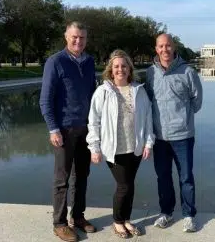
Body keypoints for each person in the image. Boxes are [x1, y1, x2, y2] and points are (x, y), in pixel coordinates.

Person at [86, 49, 154, 239]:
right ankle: (117, 221)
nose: (120, 69)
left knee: (129, 185)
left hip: (135, 147)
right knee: (123, 185)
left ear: (129, 68)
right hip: (114, 149)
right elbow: (94, 121)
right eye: (116, 66)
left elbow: (148, 118)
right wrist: (94, 147)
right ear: (111, 69)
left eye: (124, 66)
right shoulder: (103, 91)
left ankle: (126, 219)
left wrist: (148, 143)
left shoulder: (139, 90)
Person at [39, 21, 97, 242]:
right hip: (63, 129)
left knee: (82, 176)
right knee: (61, 179)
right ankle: (59, 223)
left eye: (82, 37)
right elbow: (45, 100)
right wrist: (53, 129)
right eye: (74, 37)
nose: (78, 41)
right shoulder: (55, 62)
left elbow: (93, 94)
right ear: (66, 37)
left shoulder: (89, 61)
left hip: (86, 128)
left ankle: (78, 216)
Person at [145, 33, 203, 232]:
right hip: (159, 137)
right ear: (156, 49)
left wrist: (182, 117)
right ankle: (166, 213)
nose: (165, 50)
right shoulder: (150, 73)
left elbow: (197, 101)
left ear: (173, 47)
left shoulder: (188, 71)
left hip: (183, 135)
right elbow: (149, 101)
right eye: (161, 46)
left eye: (168, 45)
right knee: (163, 177)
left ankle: (188, 215)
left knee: (186, 177)